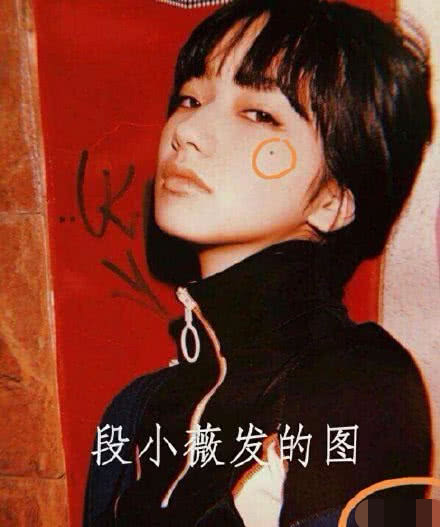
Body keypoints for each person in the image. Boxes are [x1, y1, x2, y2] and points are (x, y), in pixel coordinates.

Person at [84, 0, 433, 525]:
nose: (187, 130)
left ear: (333, 201)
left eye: (258, 114)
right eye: (190, 98)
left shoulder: (364, 381)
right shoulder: (133, 411)